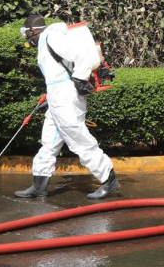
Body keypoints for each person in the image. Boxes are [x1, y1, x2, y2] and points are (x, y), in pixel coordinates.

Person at [14, 14, 120, 200]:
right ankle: (39, 186)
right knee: (49, 140)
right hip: (57, 96)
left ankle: (108, 179)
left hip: (66, 97)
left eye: (27, 33)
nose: (27, 39)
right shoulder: (46, 40)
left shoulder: (51, 36)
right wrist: (52, 94)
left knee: (77, 138)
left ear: (32, 31)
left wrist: (79, 79)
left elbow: (79, 57)